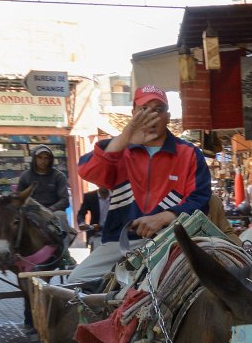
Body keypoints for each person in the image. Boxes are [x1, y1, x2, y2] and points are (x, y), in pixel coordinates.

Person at [69, 85, 212, 284]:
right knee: (76, 281)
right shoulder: (119, 150)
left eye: (158, 110)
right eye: (144, 110)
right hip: (122, 243)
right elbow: (89, 171)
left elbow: (201, 199)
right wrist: (125, 138)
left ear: (168, 117)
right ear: (133, 113)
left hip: (173, 240)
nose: (151, 116)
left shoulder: (189, 154)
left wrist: (166, 216)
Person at [17, 145, 70, 213]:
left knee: (61, 215)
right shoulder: (25, 176)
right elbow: (19, 198)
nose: (43, 161)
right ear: (34, 159)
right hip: (31, 211)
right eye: (40, 157)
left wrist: (51, 209)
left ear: (50, 160)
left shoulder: (58, 176)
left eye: (46, 158)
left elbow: (65, 200)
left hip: (53, 212)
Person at [76, 186, 110, 250]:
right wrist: (81, 223)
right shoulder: (90, 196)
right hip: (96, 232)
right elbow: (81, 213)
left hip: (113, 232)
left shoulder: (116, 196)